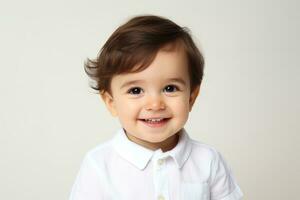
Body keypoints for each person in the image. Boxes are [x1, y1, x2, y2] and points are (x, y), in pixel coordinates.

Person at [69, 15, 244, 200]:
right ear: (111, 102)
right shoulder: (98, 165)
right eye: (136, 90)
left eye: (170, 88)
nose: (155, 105)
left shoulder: (208, 161)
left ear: (191, 97)